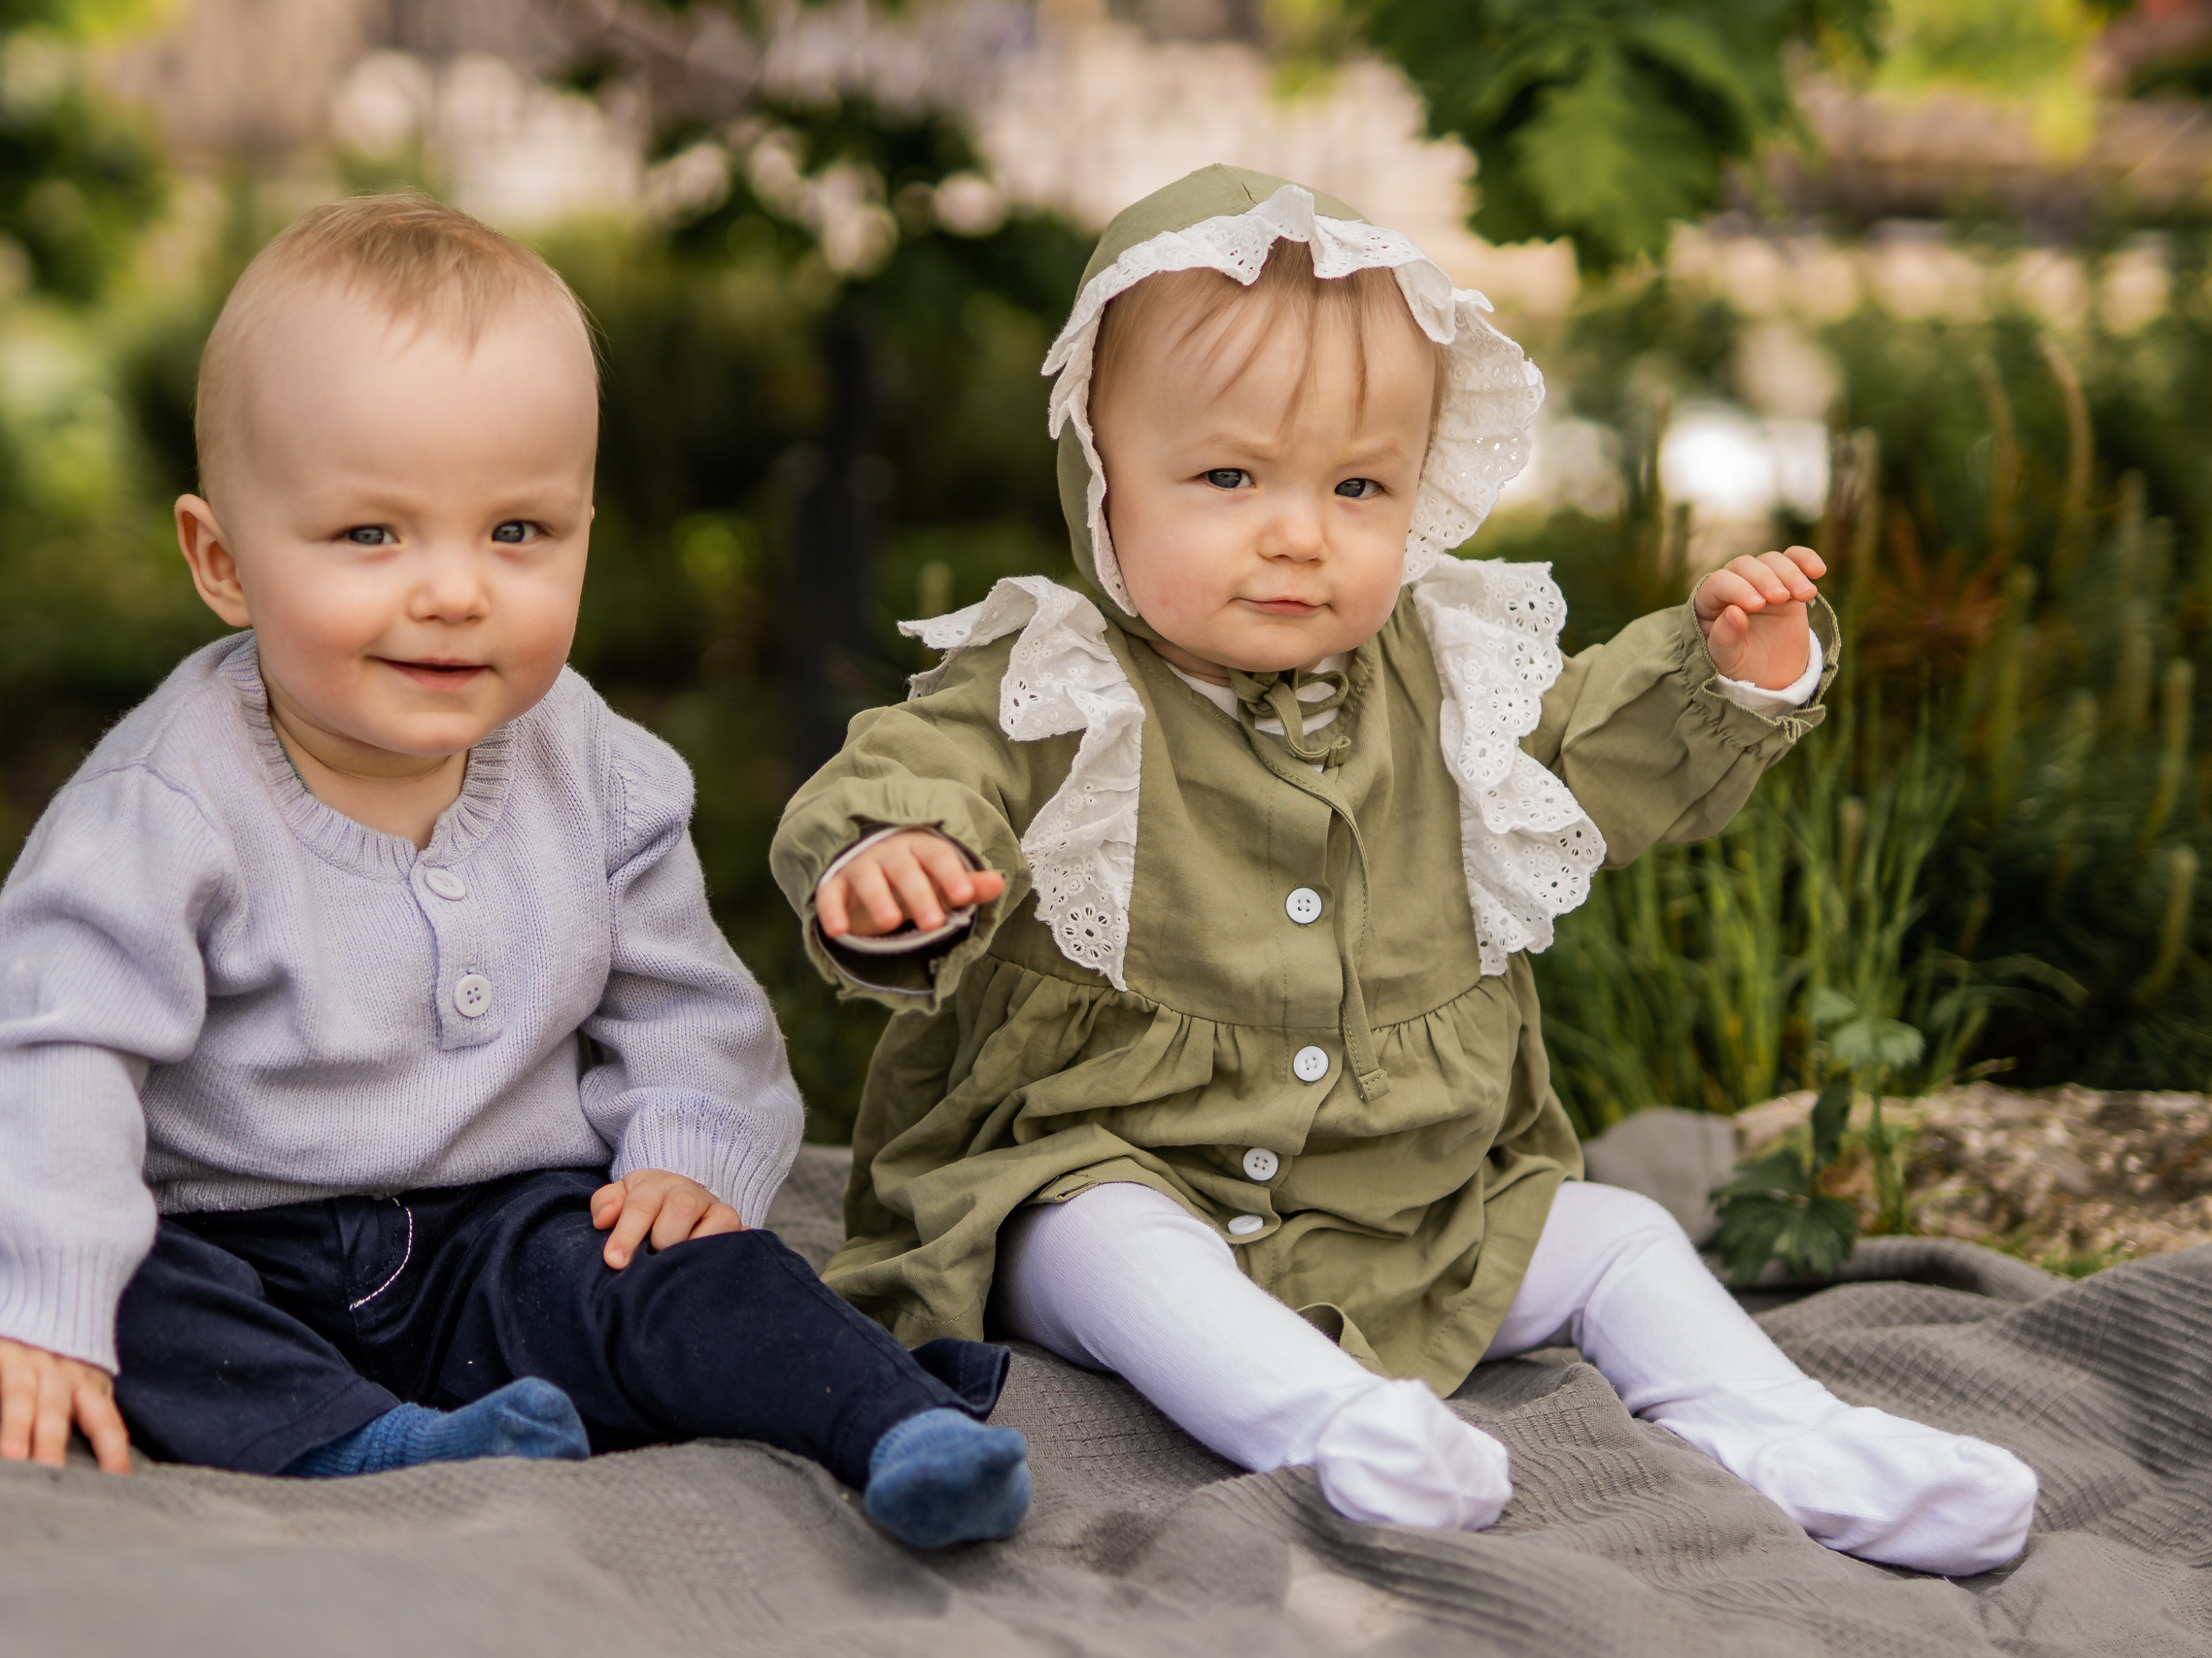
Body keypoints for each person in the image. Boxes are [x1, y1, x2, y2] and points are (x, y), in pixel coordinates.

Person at [770, 165, 2037, 1574]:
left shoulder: (1453, 673)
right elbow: (921, 773)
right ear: (1098, 471)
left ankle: (1786, 1430)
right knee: (1097, 1244)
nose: (1300, 530)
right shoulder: (1058, 677)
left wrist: (1723, 672)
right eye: (1229, 477)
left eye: (1358, 484)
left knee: (1611, 1235)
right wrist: (896, 860)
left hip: (1408, 1201)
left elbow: (1591, 751)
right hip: (1113, 1152)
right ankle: (1332, 1426)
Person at [0, 193, 1029, 1550]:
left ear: (583, 533)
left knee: (692, 1271)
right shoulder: (164, 805)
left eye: (517, 534)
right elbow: (57, 1053)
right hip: (241, 1242)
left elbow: (687, 1005)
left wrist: (686, 1156)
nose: (455, 591)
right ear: (223, 560)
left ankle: (893, 1424)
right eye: (371, 536)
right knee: (134, 1294)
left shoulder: (597, 769)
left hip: (515, 1231)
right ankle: (370, 1443)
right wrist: (44, 1295)